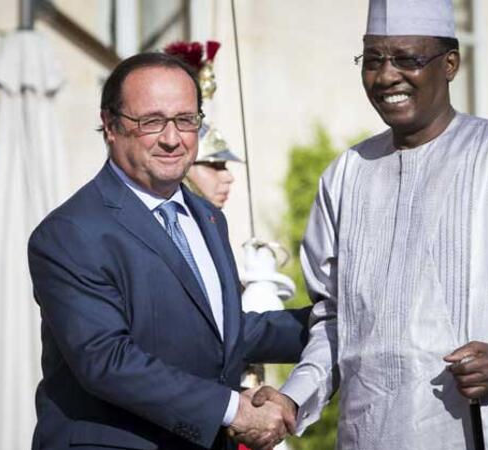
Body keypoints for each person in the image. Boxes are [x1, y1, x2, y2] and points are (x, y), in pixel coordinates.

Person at [251, 0, 488, 448]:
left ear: (450, 64)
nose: (386, 76)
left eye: (407, 59)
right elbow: (334, 321)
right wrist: (292, 399)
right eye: (373, 60)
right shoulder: (346, 174)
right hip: (377, 433)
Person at [27, 52, 307, 450]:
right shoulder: (70, 232)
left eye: (186, 120)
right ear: (110, 125)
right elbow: (107, 360)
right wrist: (233, 409)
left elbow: (220, 333)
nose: (172, 138)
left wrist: (332, 323)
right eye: (152, 121)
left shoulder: (207, 217)